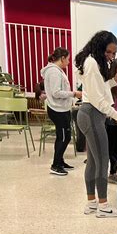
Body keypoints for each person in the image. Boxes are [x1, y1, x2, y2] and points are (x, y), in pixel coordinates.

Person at [74, 30, 117, 218]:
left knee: (94, 162)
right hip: (91, 114)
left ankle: (91, 203)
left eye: (114, 53)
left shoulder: (93, 61)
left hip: (90, 114)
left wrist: (113, 81)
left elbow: (99, 88)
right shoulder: (91, 63)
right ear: (100, 46)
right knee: (102, 160)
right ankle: (103, 206)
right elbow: (97, 98)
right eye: (109, 52)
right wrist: (116, 115)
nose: (112, 56)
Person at [40, 47, 82, 175]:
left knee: (63, 136)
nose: (69, 62)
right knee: (64, 137)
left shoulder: (56, 71)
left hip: (61, 108)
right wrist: (74, 93)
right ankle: (55, 165)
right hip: (57, 109)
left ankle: (60, 161)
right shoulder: (53, 72)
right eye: (68, 59)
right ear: (62, 58)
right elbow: (56, 92)